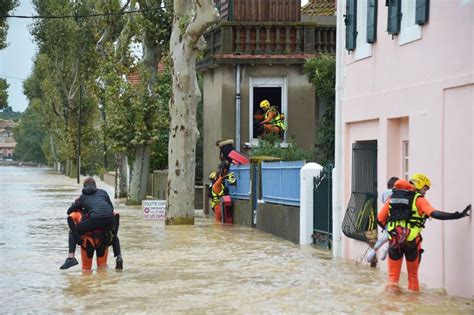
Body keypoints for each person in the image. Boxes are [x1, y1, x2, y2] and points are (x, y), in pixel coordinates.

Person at [377, 173, 471, 292]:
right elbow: (434, 213)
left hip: (395, 242)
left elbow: (380, 218)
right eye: (425, 188)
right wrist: (456, 215)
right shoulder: (419, 199)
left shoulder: (393, 198)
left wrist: (391, 231)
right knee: (413, 278)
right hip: (413, 243)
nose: (425, 192)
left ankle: (391, 305)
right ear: (419, 185)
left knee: (393, 278)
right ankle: (413, 307)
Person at [60, 177, 123, 270]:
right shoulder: (103, 192)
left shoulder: (82, 197)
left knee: (73, 231)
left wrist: (80, 207)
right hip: (109, 221)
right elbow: (111, 209)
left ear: (84, 187)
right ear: (95, 186)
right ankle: (119, 256)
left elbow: (69, 212)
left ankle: (71, 257)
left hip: (93, 225)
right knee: (113, 235)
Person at [366, 176, 399, 262]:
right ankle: (380, 250)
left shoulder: (383, 194)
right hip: (395, 219)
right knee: (392, 236)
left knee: (387, 236)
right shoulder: (397, 193)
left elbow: (383, 202)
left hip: (387, 219)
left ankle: (375, 251)